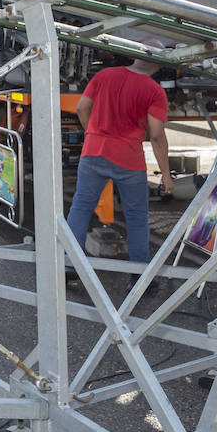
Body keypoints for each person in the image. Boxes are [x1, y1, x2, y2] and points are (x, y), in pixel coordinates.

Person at [65, 58, 174, 281]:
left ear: (134, 57)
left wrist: (92, 133)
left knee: (81, 207)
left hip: (94, 152)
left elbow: (81, 107)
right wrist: (165, 175)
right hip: (128, 160)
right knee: (136, 217)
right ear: (159, 66)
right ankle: (139, 275)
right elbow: (156, 134)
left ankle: (70, 263)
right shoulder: (154, 91)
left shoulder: (104, 75)